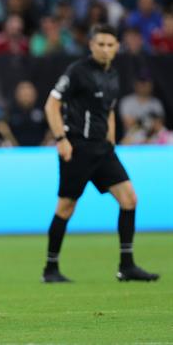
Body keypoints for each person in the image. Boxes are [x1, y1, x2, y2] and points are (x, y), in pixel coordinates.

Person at [42, 24, 159, 283]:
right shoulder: (77, 72)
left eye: (110, 45)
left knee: (129, 199)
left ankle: (126, 266)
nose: (106, 49)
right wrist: (61, 139)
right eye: (101, 44)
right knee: (66, 207)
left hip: (103, 150)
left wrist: (111, 142)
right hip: (77, 147)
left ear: (117, 47)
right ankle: (50, 269)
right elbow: (52, 104)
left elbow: (108, 112)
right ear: (91, 46)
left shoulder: (113, 75)